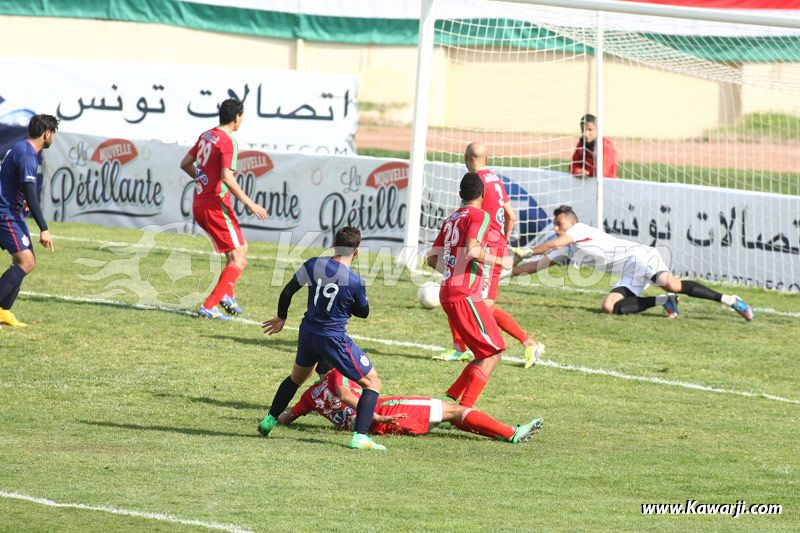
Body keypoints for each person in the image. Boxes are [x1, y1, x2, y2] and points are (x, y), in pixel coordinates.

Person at [258, 226, 387, 451]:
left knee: (296, 379)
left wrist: (281, 317)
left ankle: (270, 420)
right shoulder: (354, 280)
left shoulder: (313, 264)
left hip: (308, 334)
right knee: (372, 383)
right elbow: (364, 313)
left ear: (333, 245)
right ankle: (360, 437)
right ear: (356, 252)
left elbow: (288, 291)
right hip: (333, 339)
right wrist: (349, 304)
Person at [511, 205, 754, 320]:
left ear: (571, 224)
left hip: (640, 257)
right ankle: (664, 302)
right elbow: (538, 266)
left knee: (673, 284)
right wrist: (510, 272)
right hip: (629, 272)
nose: (555, 228)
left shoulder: (580, 230)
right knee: (609, 306)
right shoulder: (567, 248)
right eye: (555, 225)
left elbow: (550, 246)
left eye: (559, 224)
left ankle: (730, 300)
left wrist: (528, 250)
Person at [435, 142, 545, 369]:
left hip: (484, 251)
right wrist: (503, 241)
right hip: (493, 247)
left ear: (465, 157)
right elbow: (511, 216)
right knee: (466, 297)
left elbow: (471, 219)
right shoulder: (494, 179)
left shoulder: (474, 184)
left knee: (481, 303)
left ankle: (529, 342)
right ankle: (459, 348)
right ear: (486, 158)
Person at [277, 358, 544, 444]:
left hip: (371, 423)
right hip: (383, 412)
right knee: (455, 409)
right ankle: (510, 433)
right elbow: (346, 395)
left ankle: (504, 434)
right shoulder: (338, 374)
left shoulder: (310, 396)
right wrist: (375, 416)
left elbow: (286, 418)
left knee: (449, 412)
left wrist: (274, 417)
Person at [426, 173, 514, 408]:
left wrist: (455, 274)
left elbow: (431, 259)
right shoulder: (480, 216)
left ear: (460, 195)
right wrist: (500, 261)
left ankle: (450, 399)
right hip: (465, 294)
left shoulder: (451, 219)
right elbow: (473, 251)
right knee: (493, 352)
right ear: (483, 195)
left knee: (483, 353)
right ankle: (464, 411)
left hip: (449, 293)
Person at [180, 98, 267, 320]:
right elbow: (228, 177)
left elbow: (185, 164)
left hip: (201, 202)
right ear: (237, 117)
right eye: (243, 117)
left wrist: (203, 180)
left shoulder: (207, 135)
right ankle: (209, 306)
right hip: (215, 205)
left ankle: (227, 295)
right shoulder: (228, 141)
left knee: (241, 249)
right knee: (240, 260)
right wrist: (250, 203)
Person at [0, 114, 58, 329]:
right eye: (53, 134)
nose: (53, 138)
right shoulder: (28, 156)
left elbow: (11, 180)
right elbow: (32, 195)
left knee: (24, 261)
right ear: (47, 133)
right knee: (26, 262)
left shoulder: (18, 147)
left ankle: (4, 312)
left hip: (10, 209)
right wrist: (44, 228)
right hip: (6, 213)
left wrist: (20, 197)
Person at [570, 114, 617, 179]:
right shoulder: (581, 144)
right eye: (583, 130)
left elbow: (603, 171)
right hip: (588, 183)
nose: (585, 133)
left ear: (598, 129)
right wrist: (577, 171)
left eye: (590, 130)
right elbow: (573, 165)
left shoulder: (606, 145)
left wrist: (587, 172)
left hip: (607, 184)